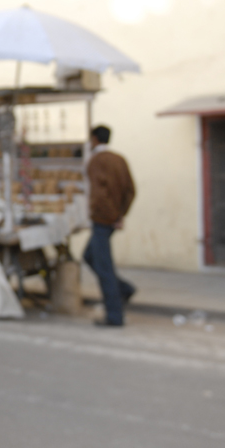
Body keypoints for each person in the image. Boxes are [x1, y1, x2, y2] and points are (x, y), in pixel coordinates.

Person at [84, 125, 137, 327]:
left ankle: (114, 315)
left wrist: (111, 216)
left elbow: (98, 196)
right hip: (112, 219)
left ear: (95, 139)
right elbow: (131, 190)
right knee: (89, 257)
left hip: (102, 220)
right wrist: (121, 214)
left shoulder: (96, 161)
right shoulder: (119, 160)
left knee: (104, 267)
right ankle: (124, 289)